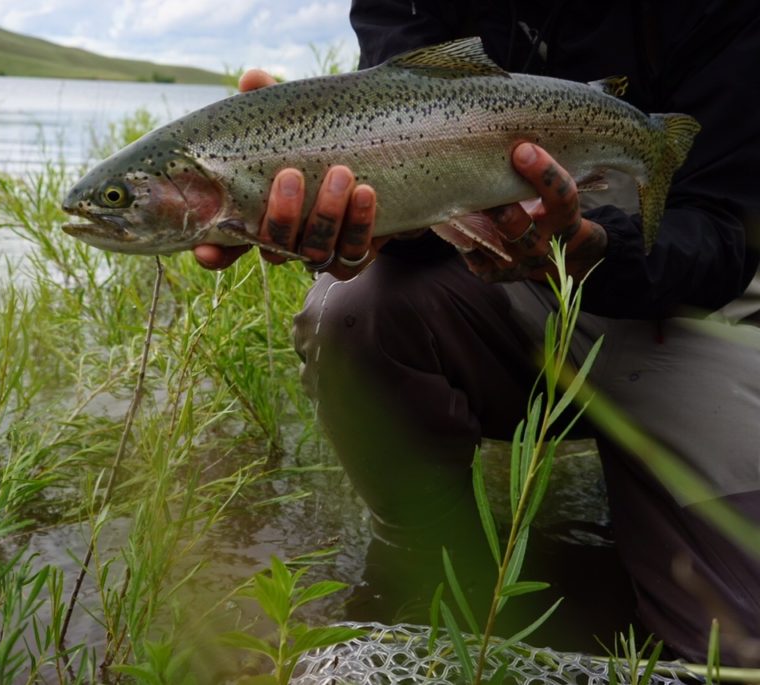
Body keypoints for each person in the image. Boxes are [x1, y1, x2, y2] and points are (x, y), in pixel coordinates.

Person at [196, 0, 760, 665]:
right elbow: (417, 191)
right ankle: (432, 562)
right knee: (353, 310)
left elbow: (727, 231)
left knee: (735, 652)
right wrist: (383, 214)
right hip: (504, 281)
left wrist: (599, 247)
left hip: (696, 308)